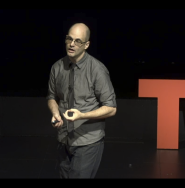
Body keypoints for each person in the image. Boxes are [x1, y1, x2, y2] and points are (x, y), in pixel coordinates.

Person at [46, 23, 117, 179]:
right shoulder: (57, 68)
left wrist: (81, 115)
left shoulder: (97, 69)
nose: (72, 44)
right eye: (69, 39)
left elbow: (111, 108)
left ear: (86, 45)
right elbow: (51, 97)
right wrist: (55, 113)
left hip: (87, 141)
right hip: (63, 139)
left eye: (78, 41)